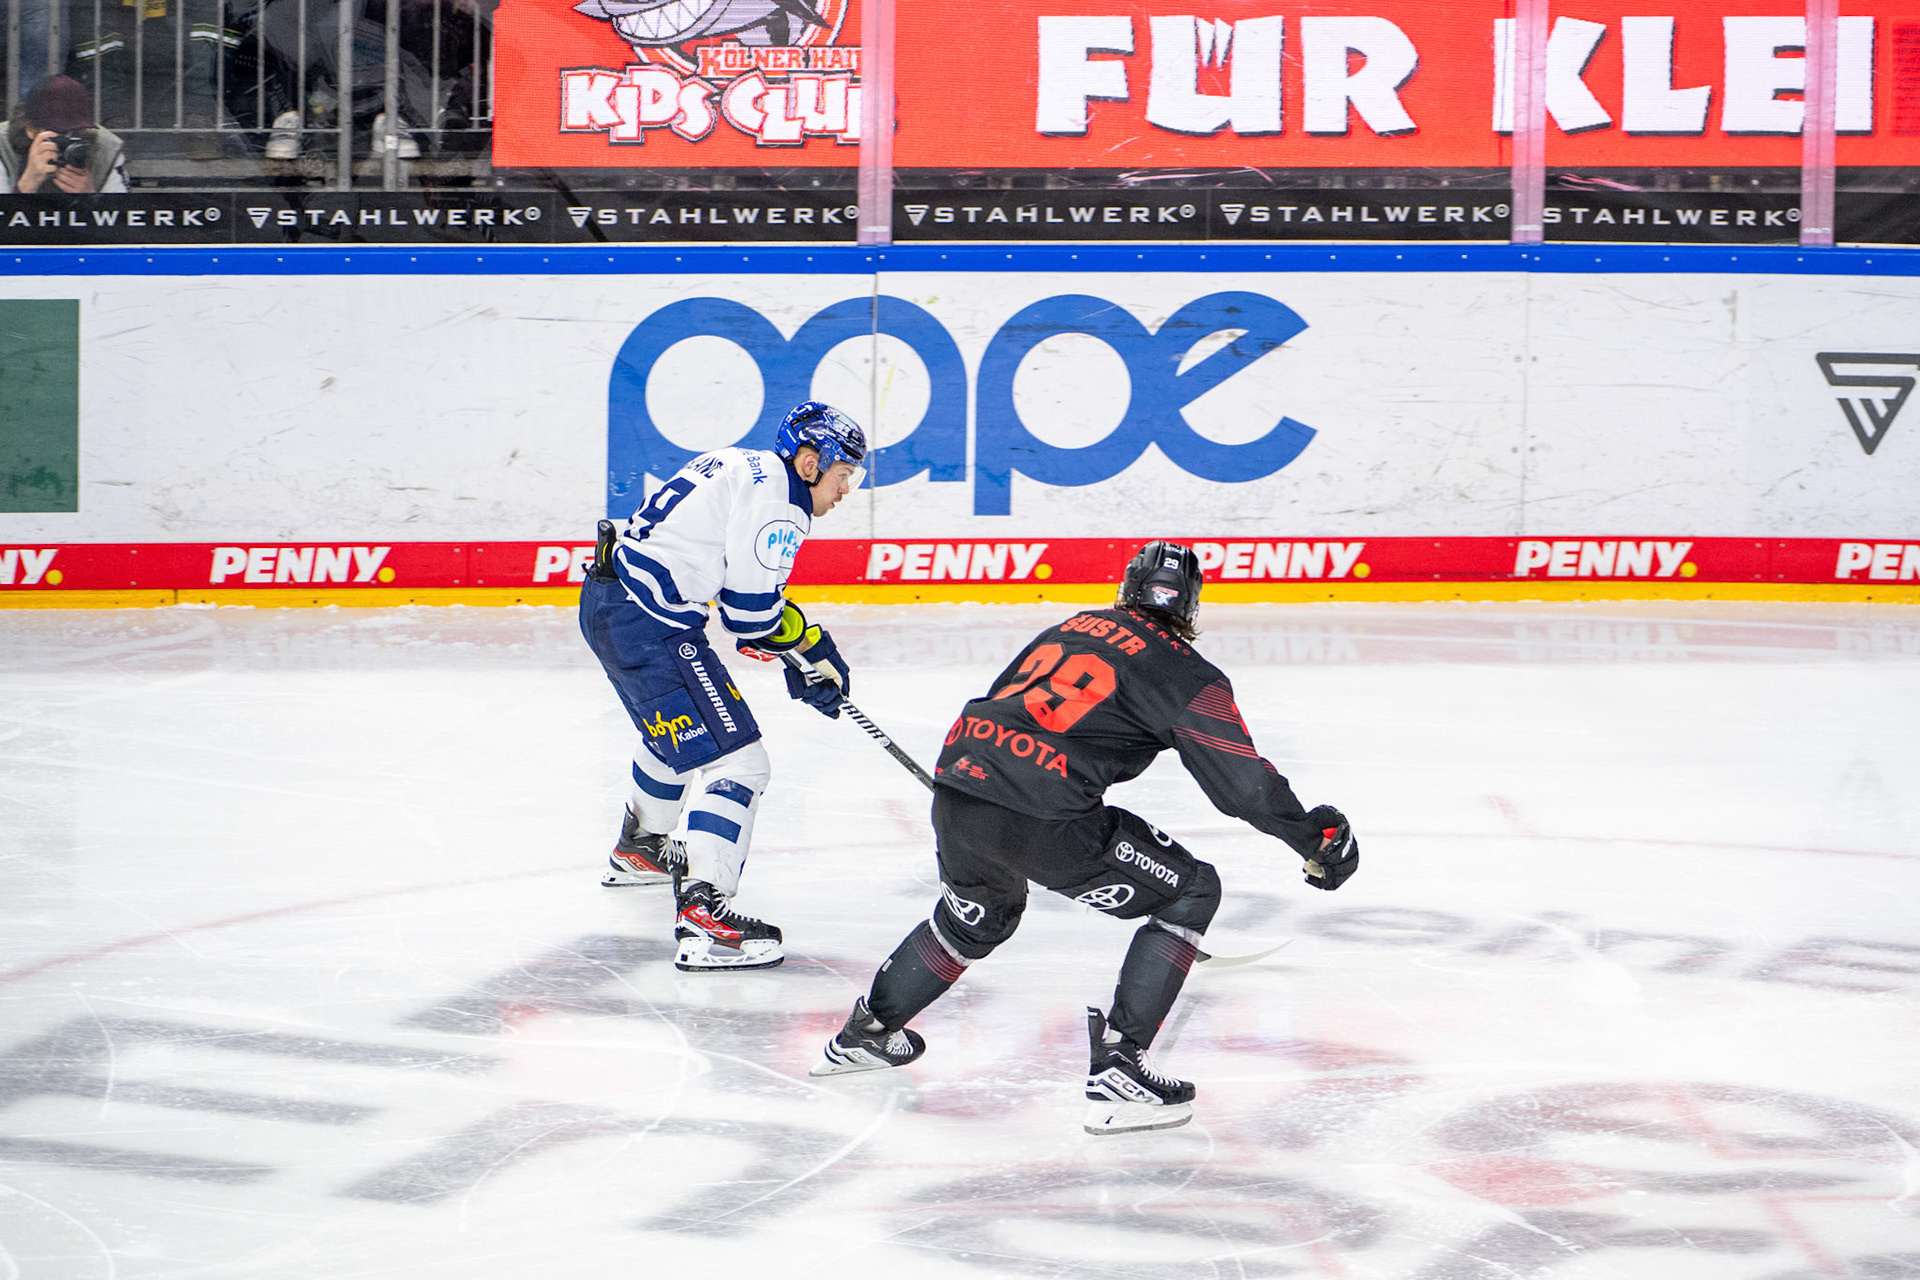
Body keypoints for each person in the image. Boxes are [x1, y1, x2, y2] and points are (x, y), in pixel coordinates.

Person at [809, 541, 1361, 1134]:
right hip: (1040, 812)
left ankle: (867, 1033)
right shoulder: (1186, 673)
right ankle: (1121, 1065)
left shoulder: (1073, 625)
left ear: (1127, 589)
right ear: (1192, 607)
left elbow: (1004, 700)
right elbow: (1244, 789)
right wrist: (1314, 838)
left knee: (978, 916)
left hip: (961, 786)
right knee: (1192, 892)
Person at [578, 400, 865, 972]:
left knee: (677, 730)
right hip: (651, 624)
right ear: (810, 463)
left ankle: (642, 850)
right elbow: (751, 617)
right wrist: (805, 648)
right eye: (842, 475)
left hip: (610, 603)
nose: (846, 491)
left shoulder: (743, 463)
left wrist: (799, 650)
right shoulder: (783, 502)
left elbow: (745, 604)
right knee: (741, 764)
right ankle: (705, 921)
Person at [2, 75, 130, 195]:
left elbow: (123, 216)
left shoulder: (106, 147)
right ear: (30, 129)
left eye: (75, 131)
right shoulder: (3, 147)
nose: (67, 139)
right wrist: (26, 185)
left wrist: (90, 197)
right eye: (59, 132)